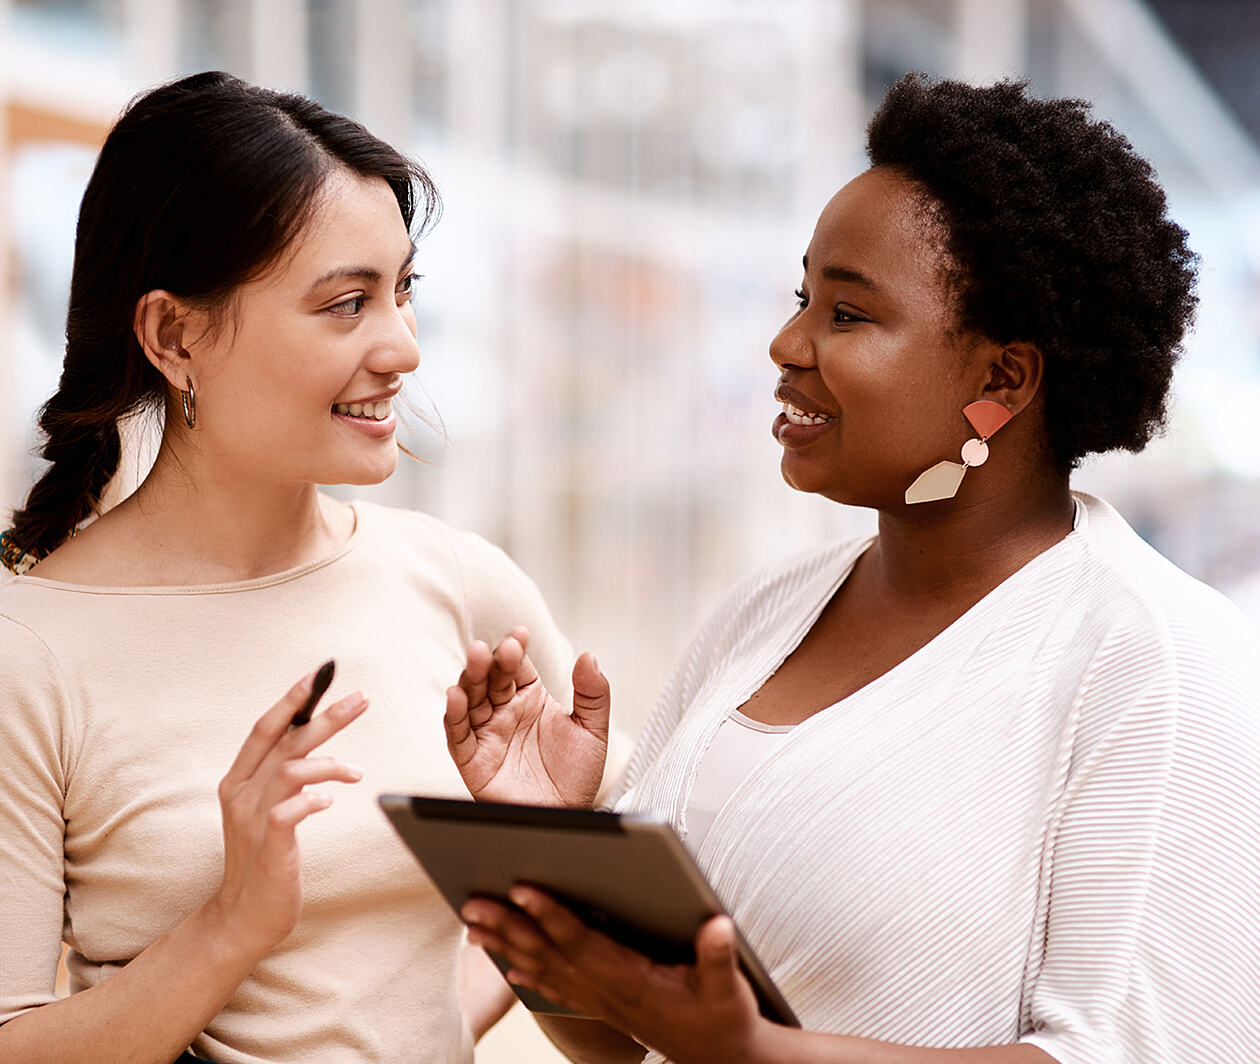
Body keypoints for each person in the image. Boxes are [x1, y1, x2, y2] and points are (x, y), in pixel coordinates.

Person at [444, 74, 1260, 1063]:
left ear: (1002, 379)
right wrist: (546, 852)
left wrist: (750, 1051)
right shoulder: (763, 618)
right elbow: (624, 1042)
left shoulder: (1161, 663)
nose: (788, 344)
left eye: (850, 314)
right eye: (803, 298)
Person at [0, 71, 608, 1064]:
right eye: (346, 303)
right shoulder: (27, 651)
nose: (403, 346)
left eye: (403, 290)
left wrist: (536, 867)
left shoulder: (465, 590)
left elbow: (614, 1042)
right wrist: (231, 921)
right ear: (174, 334)